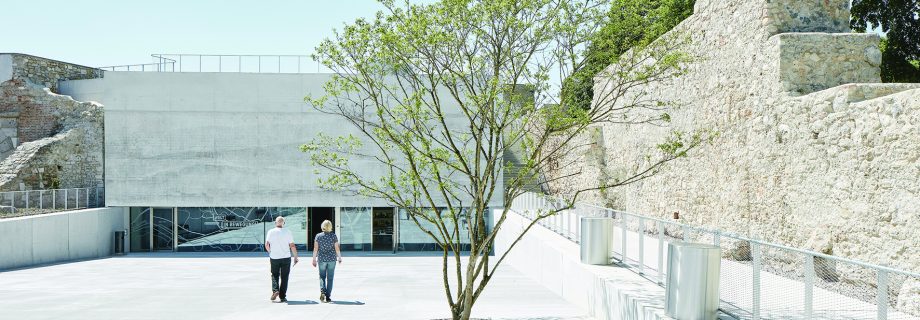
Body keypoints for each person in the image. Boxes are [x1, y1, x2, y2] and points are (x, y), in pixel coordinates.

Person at [265, 216, 298, 303]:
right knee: (285, 277)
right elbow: (292, 245)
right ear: (283, 223)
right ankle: (282, 296)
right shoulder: (288, 232)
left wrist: (270, 252)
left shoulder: (271, 232)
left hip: (274, 257)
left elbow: (267, 244)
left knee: (274, 274)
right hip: (286, 257)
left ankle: (275, 290)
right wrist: (295, 257)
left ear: (275, 223)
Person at [312, 220, 342, 303]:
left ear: (323, 226)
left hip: (322, 259)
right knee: (330, 278)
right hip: (332, 259)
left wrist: (314, 259)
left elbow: (315, 249)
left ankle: (323, 291)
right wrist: (339, 257)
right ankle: (328, 296)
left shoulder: (318, 236)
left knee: (322, 276)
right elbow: (337, 248)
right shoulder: (333, 236)